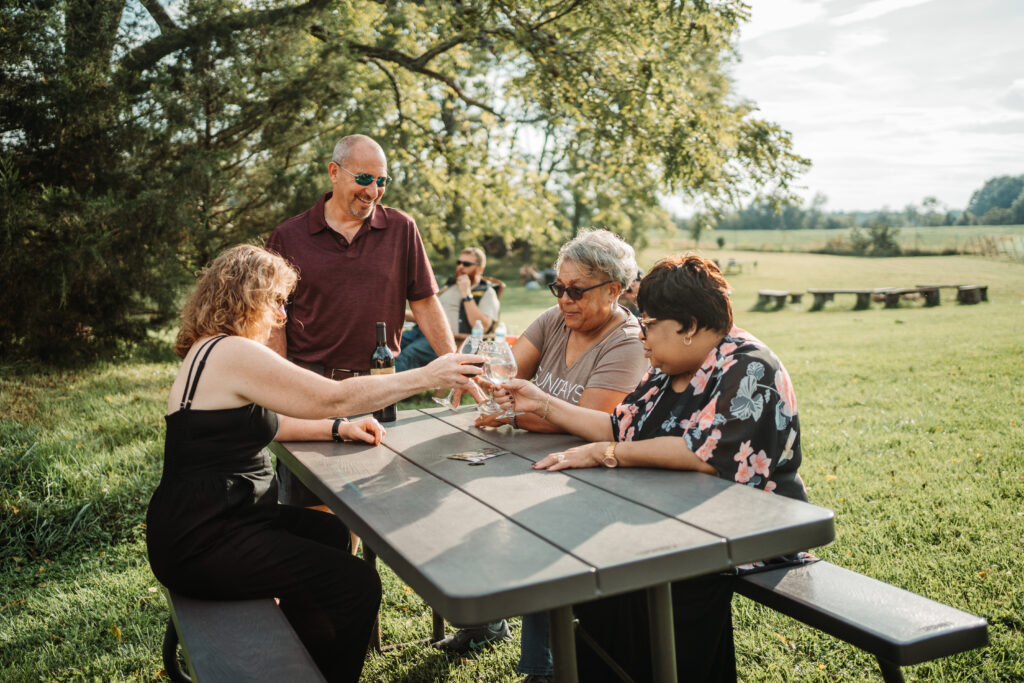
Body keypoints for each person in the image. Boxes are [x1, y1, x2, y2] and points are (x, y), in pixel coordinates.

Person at [146, 245, 483, 683]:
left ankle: (303, 657)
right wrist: (427, 375)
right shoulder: (233, 352)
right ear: (246, 296)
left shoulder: (210, 350)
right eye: (276, 301)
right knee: (356, 584)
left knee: (332, 533)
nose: (282, 315)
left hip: (207, 521)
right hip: (203, 540)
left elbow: (273, 421)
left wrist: (338, 429)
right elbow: (332, 396)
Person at [495, 253, 809, 682]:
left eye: (648, 326)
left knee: (655, 582)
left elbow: (703, 456)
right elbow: (618, 425)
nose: (641, 337)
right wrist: (543, 403)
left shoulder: (750, 367)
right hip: (668, 515)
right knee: (592, 571)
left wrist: (606, 453)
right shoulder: (668, 367)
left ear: (689, 327)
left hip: (741, 530)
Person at [436, 230, 648, 677]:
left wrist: (518, 413)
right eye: (559, 287)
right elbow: (506, 375)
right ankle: (485, 622)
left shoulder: (627, 342)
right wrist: (507, 399)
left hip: (589, 476)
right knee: (459, 498)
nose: (564, 299)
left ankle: (544, 669)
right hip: (531, 459)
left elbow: (591, 421)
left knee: (541, 532)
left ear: (614, 290)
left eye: (577, 290)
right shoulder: (555, 318)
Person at [266, 133, 456, 507]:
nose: (373, 191)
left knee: (375, 501)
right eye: (364, 179)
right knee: (310, 505)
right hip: (311, 387)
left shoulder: (402, 229)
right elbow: (274, 319)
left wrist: (453, 363)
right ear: (334, 172)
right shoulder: (288, 236)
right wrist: (277, 385)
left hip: (379, 387)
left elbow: (424, 302)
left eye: (382, 181)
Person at [396, 247, 500, 371]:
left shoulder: (487, 292)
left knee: (408, 355)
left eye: (466, 264)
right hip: (421, 330)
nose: (460, 267)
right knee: (391, 346)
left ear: (480, 269)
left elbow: (483, 326)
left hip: (446, 338)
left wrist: (466, 293)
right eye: (459, 263)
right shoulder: (449, 286)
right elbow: (431, 313)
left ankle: (390, 383)